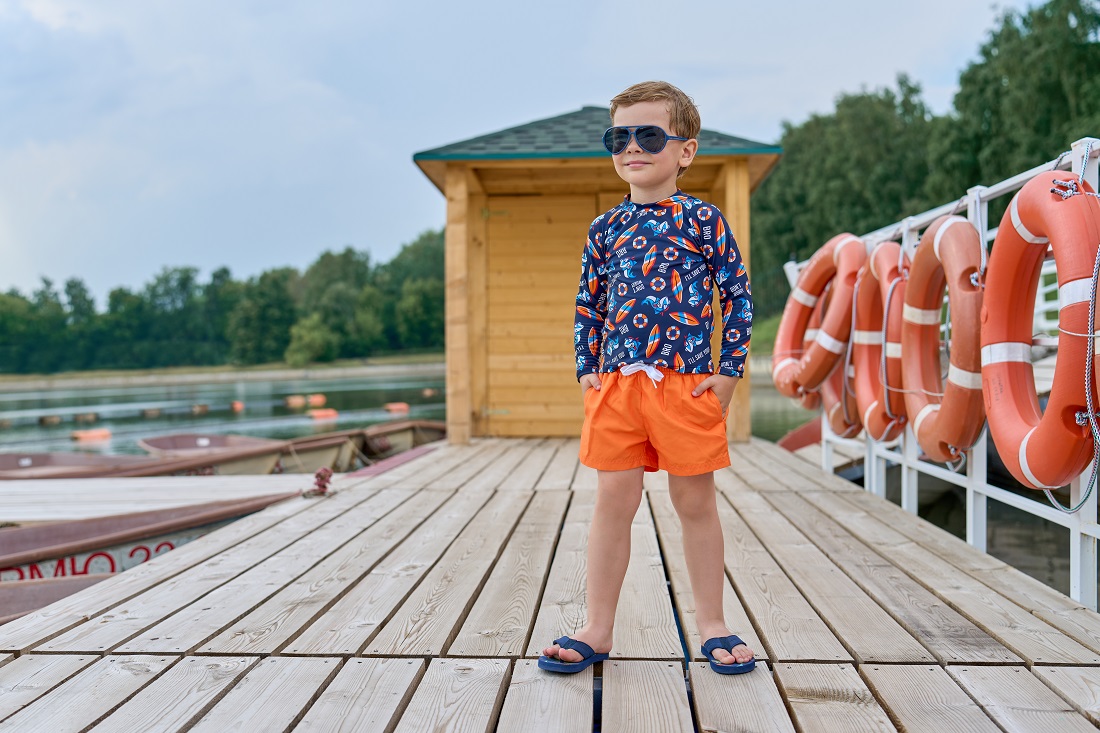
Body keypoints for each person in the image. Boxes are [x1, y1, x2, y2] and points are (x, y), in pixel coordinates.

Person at [539, 81, 755, 675]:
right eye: (620, 136)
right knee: (613, 501)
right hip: (617, 387)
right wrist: (589, 371)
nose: (633, 146)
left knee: (694, 501)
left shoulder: (704, 221)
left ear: (685, 150)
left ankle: (711, 623)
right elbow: (589, 303)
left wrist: (728, 373)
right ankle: (598, 627)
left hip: (685, 385)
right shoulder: (604, 229)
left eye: (650, 135)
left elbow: (737, 297)